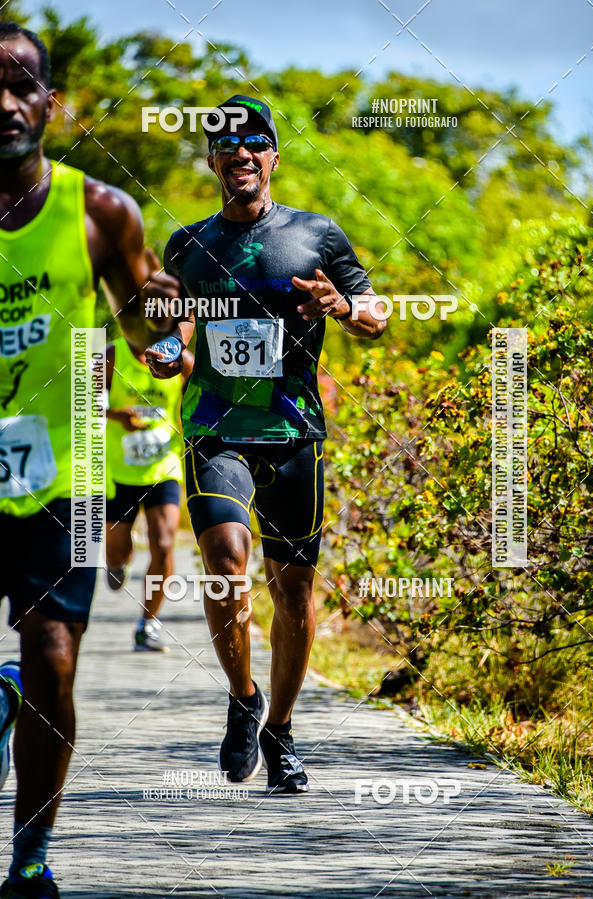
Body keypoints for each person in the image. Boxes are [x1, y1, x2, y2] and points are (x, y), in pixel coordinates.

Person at [147, 94, 386, 794]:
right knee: (225, 561)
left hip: (293, 434)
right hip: (216, 428)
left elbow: (375, 312)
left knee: (294, 591)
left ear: (272, 156)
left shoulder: (318, 236)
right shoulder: (187, 244)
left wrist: (341, 306)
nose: (241, 152)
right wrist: (165, 350)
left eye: (255, 140)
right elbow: (178, 323)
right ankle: (241, 696)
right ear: (213, 160)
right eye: (227, 143)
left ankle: (279, 727)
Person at [0, 23, 178, 898]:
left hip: (66, 472)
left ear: (49, 104)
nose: (3, 103)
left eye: (21, 86)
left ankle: (30, 853)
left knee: (55, 655)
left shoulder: (101, 212)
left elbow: (144, 325)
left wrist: (163, 329)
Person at [104, 336, 193, 652]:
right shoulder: (111, 356)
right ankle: (116, 564)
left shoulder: (183, 361)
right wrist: (118, 416)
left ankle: (148, 624)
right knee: (115, 551)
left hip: (163, 467)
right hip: (118, 470)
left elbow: (202, 404)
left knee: (164, 543)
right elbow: (82, 405)